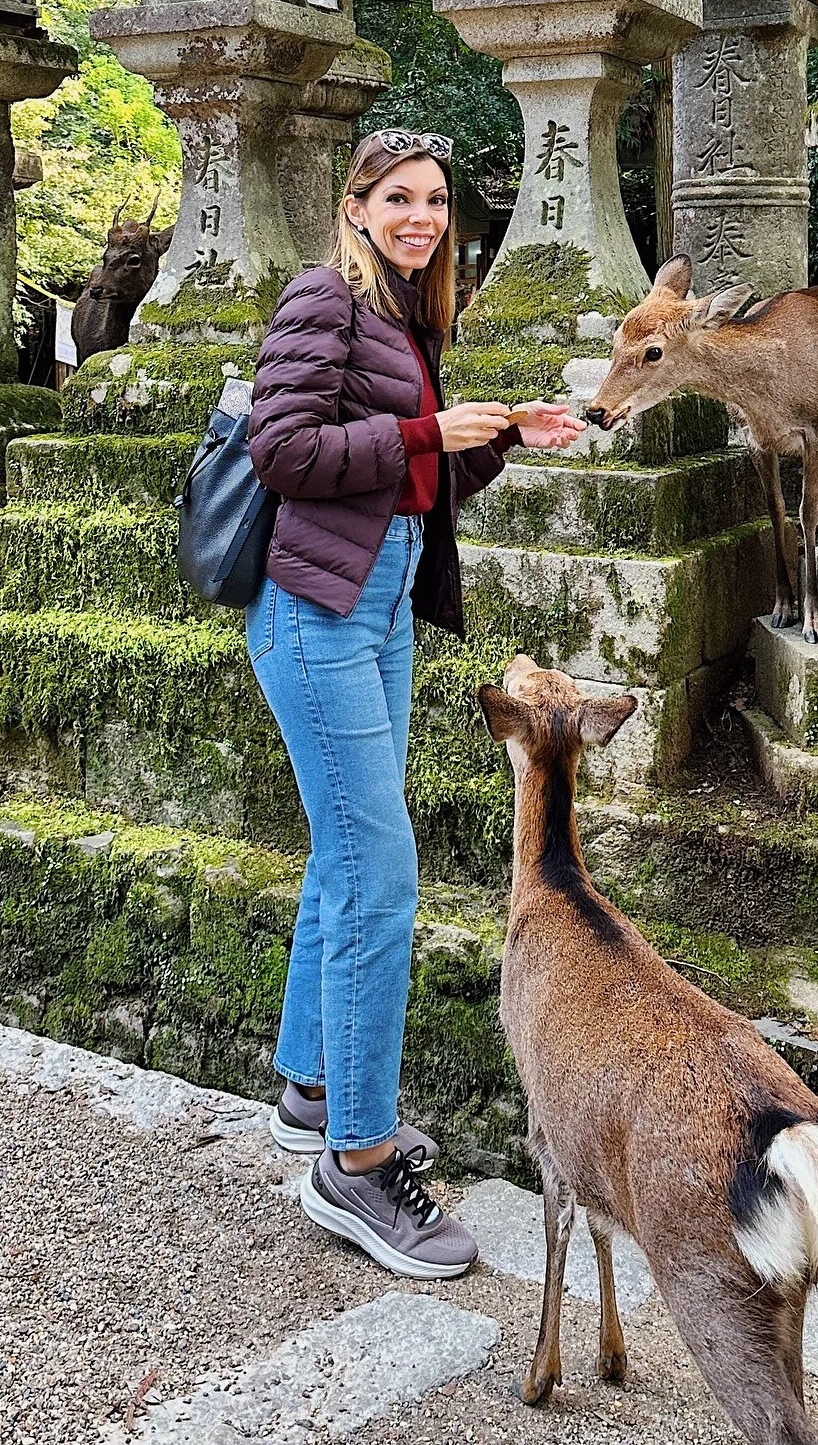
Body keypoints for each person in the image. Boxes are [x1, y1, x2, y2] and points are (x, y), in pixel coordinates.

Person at [246, 128, 584, 1279]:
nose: (420, 216)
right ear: (355, 203)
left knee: (346, 856)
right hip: (316, 609)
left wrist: (493, 440)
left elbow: (407, 473)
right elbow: (283, 448)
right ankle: (355, 1161)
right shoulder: (324, 299)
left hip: (379, 601)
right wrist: (424, 428)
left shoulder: (406, 313)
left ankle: (311, 1084)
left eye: (435, 199)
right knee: (380, 870)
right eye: (399, 197)